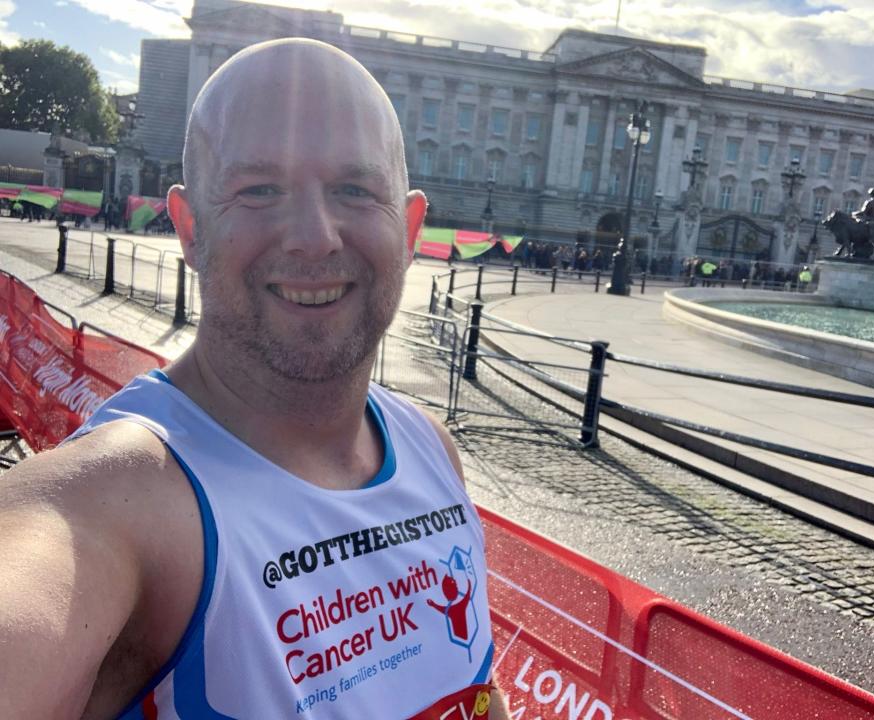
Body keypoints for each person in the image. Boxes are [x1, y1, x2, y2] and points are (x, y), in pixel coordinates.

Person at [0, 39, 507, 719]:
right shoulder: (121, 501)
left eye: (355, 190)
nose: (314, 235)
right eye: (258, 190)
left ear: (410, 228)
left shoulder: (431, 449)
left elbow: (477, 689)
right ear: (188, 226)